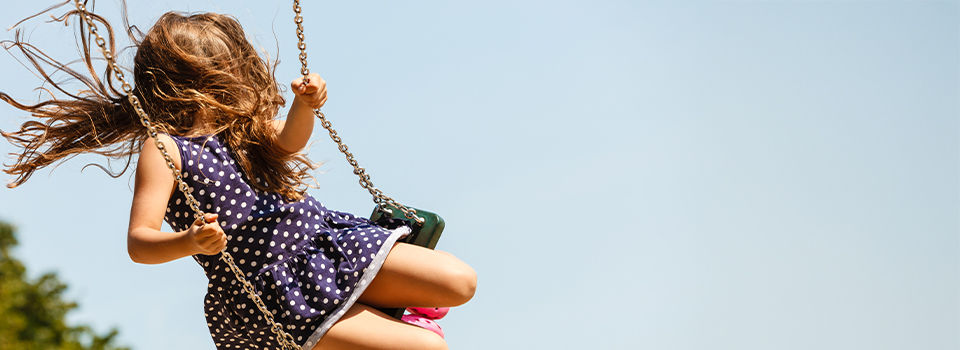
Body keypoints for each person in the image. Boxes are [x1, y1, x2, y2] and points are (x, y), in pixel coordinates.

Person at [0, 6, 476, 350]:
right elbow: (140, 243)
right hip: (271, 291)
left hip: (324, 246)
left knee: (459, 281)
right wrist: (189, 240)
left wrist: (305, 105)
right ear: (197, 79)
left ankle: (379, 314)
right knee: (428, 348)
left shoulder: (242, 129)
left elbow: (289, 141)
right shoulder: (165, 147)